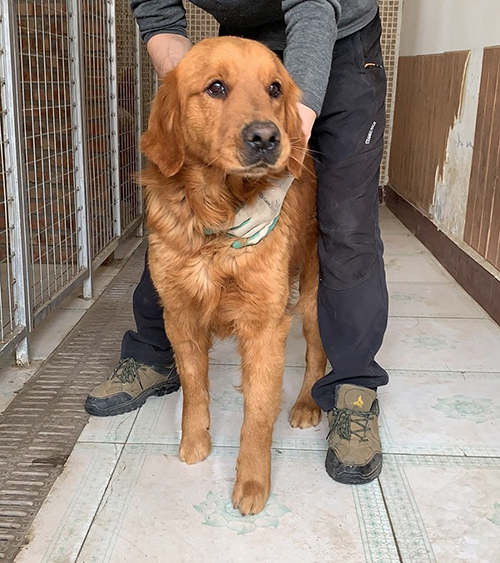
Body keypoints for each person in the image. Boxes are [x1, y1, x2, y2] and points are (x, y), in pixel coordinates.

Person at [86, 0, 389, 486]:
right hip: (249, 42)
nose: (257, 122)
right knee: (177, 286)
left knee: (347, 229)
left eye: (271, 94)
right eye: (216, 90)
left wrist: (286, 142)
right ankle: (154, 361)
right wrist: (189, 82)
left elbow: (313, 9)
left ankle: (345, 384)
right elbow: (159, 16)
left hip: (340, 36)